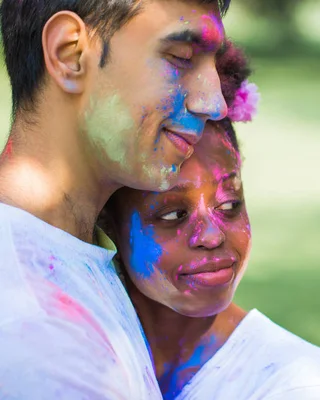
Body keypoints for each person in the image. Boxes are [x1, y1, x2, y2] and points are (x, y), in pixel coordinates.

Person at [102, 40, 320, 400]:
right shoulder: (72, 346)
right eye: (174, 214)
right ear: (109, 223)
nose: (211, 235)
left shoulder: (300, 386)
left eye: (229, 205)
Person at [0, 0, 230, 398]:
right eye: (180, 57)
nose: (215, 103)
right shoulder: (40, 337)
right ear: (70, 54)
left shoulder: (67, 255)